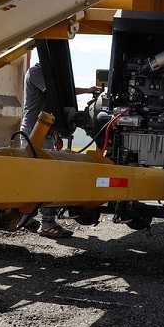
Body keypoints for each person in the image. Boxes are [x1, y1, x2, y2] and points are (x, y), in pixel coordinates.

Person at [20, 52, 99, 239]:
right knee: (47, 177)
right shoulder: (36, 72)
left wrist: (87, 90)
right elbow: (55, 95)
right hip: (35, 132)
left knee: (33, 177)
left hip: (43, 130)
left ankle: (26, 218)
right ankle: (47, 224)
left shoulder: (44, 75)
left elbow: (57, 95)